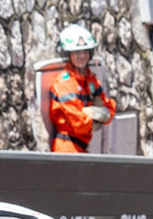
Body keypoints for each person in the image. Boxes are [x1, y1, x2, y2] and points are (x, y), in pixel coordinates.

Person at [46, 23, 117, 153]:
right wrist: (96, 115)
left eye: (85, 51)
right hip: (67, 149)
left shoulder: (90, 80)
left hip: (81, 148)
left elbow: (109, 109)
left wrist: (97, 113)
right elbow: (78, 122)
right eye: (76, 52)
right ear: (69, 54)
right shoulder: (64, 83)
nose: (82, 56)